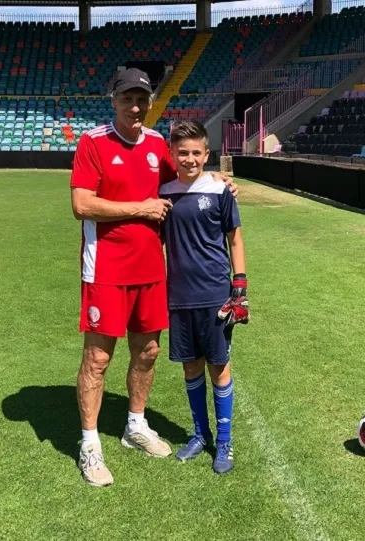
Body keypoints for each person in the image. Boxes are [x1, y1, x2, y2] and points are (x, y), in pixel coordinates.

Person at [69, 68, 236, 487]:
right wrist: (139, 208)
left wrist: (217, 180)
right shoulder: (93, 142)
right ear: (114, 100)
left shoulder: (159, 144)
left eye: (142, 99)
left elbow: (186, 175)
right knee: (98, 359)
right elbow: (82, 204)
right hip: (105, 269)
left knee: (147, 352)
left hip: (152, 271)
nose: (135, 107)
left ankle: (135, 425)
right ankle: (90, 444)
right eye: (127, 98)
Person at [159, 120, 249, 475]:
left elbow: (234, 239)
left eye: (196, 153)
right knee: (190, 366)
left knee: (218, 366)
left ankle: (224, 442)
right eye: (183, 152)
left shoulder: (219, 190)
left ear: (206, 153)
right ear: (172, 153)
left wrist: (239, 285)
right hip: (179, 296)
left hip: (215, 295)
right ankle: (200, 434)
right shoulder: (164, 193)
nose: (190, 159)